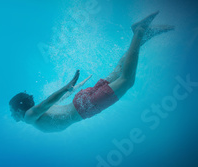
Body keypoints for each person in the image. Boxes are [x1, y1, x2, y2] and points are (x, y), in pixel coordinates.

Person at [9, 11, 174, 133]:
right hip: (81, 101)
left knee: (126, 80)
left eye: (11, 111)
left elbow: (46, 103)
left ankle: (139, 32)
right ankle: (145, 37)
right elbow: (53, 102)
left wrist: (67, 87)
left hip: (84, 108)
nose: (11, 115)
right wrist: (74, 87)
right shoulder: (37, 114)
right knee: (118, 71)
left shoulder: (28, 117)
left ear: (19, 109)